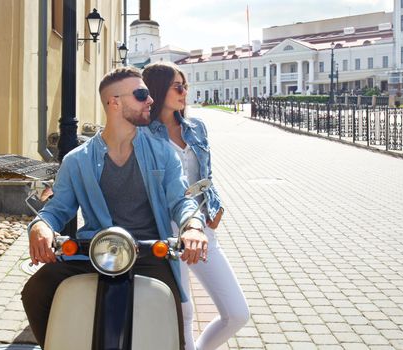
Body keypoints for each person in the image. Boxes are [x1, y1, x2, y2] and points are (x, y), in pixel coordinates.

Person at [21, 66, 209, 350]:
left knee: (172, 317)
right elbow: (57, 208)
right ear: (115, 102)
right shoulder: (77, 160)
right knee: (35, 290)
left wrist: (193, 226)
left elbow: (180, 201)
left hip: (149, 251)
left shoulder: (162, 151)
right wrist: (40, 227)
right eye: (141, 94)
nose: (150, 101)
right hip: (93, 252)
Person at [142, 62, 249, 350]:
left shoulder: (196, 127)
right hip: (164, 229)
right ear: (158, 89)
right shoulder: (144, 135)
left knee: (237, 313)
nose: (183, 91)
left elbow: (206, 175)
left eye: (185, 85)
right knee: (183, 312)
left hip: (201, 229)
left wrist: (216, 205)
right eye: (177, 86)